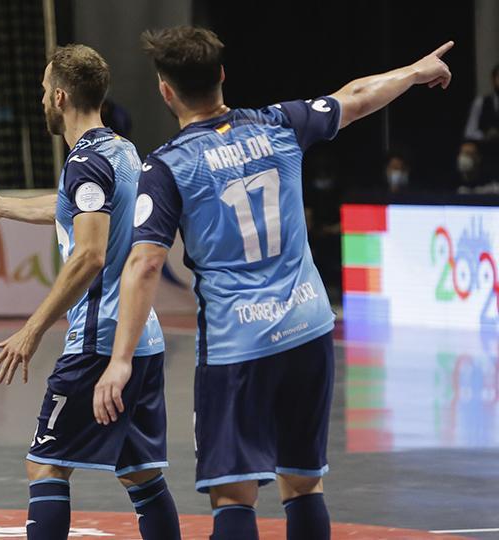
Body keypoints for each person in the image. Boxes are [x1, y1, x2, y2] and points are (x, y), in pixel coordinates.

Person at [93, 26, 452, 540]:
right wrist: (414, 73)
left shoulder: (168, 166)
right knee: (304, 486)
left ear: (165, 91)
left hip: (238, 346)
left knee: (234, 494)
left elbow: (145, 263)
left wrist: (122, 359)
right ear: (221, 75)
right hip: (308, 329)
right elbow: (353, 98)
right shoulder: (278, 124)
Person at [0, 44, 179, 540]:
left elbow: (89, 254)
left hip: (97, 343)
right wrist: (3, 206)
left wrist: (31, 330)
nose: (41, 98)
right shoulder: (121, 149)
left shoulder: (86, 162)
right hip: (141, 341)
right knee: (141, 474)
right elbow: (70, 208)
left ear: (60, 97)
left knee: (46, 466)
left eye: (44, 90)